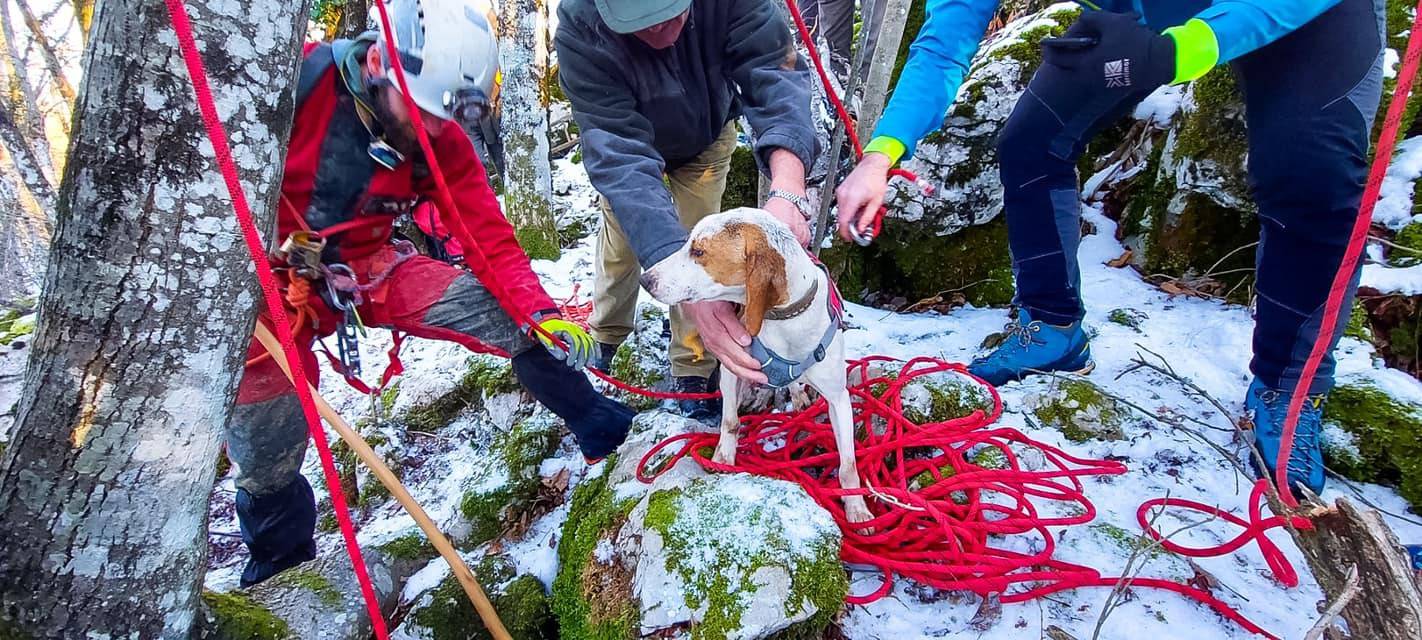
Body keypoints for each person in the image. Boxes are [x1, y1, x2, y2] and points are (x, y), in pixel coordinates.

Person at [836, 0, 1382, 498]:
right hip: (1150, 13)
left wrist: (1177, 52)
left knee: (1314, 180)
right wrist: (882, 154)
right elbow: (943, 45)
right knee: (1032, 141)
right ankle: (1052, 326)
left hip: (1310, 20)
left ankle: (1288, 386)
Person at [229, 0, 635, 587]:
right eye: (421, 115)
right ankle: (279, 568)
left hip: (370, 266)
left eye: (445, 122)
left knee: (512, 317)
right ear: (377, 63)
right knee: (266, 437)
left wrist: (540, 314)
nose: (436, 134)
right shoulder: (294, 81)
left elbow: (488, 238)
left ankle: (599, 424)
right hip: (266, 284)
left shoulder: (439, 133)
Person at [555, 0, 821, 420]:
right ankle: (605, 334)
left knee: (703, 250)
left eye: (671, 13)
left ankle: (694, 364)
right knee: (625, 242)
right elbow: (618, 155)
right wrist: (661, 249)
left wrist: (787, 187)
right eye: (643, 23)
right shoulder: (581, 26)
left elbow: (773, 69)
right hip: (630, 152)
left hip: (706, 137)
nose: (662, 30)